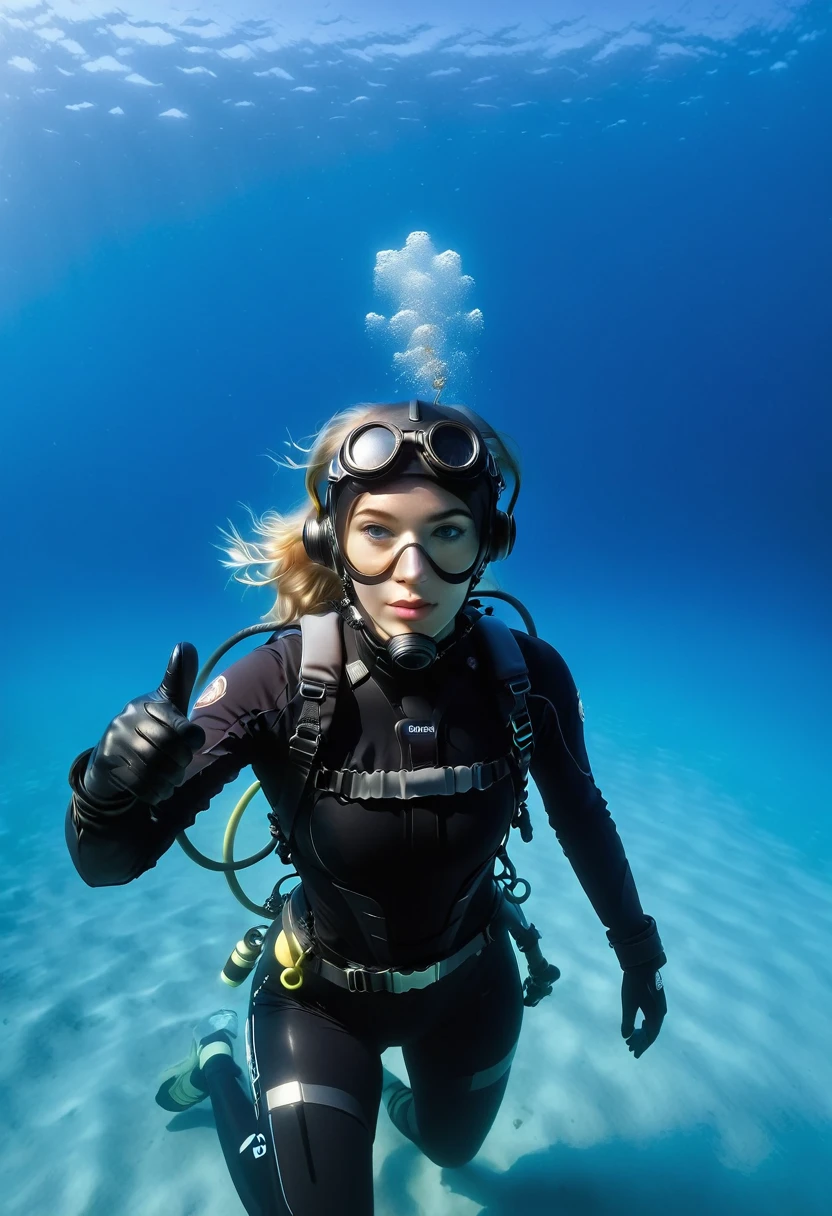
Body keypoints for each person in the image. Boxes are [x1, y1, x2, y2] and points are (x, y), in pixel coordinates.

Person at [65, 399, 667, 1216]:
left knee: (452, 1147)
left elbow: (581, 814)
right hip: (317, 998)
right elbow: (108, 864)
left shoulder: (528, 677)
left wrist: (639, 951)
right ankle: (219, 1068)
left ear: (489, 541)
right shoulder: (274, 682)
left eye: (447, 531)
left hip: (470, 981)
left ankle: (362, 1100)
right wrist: (106, 791)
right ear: (333, 539)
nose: (411, 572)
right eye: (379, 531)